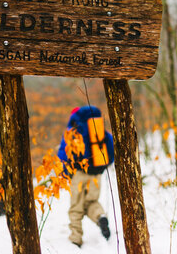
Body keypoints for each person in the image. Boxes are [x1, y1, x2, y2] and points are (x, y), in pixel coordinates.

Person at [58, 106, 114, 248]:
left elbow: (63, 155)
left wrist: (66, 173)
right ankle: (100, 217)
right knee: (91, 201)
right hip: (96, 174)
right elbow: (111, 150)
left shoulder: (73, 132)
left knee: (76, 207)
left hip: (79, 174)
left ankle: (76, 239)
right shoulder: (99, 131)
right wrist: (101, 167)